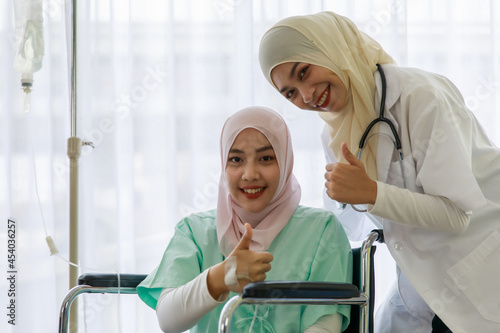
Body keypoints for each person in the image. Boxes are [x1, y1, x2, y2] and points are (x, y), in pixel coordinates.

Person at [258, 11, 500, 333]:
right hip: (424, 287)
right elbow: (352, 227)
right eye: (290, 93)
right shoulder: (335, 133)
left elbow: (457, 215)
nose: (306, 96)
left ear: (331, 48)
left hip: (484, 272)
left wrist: (371, 193)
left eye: (304, 71)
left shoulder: (419, 96)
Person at [137, 106, 353, 333]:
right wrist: (218, 278)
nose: (250, 174)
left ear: (286, 160)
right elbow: (168, 320)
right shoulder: (195, 231)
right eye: (236, 159)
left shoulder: (321, 229)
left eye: (266, 158)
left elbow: (324, 326)